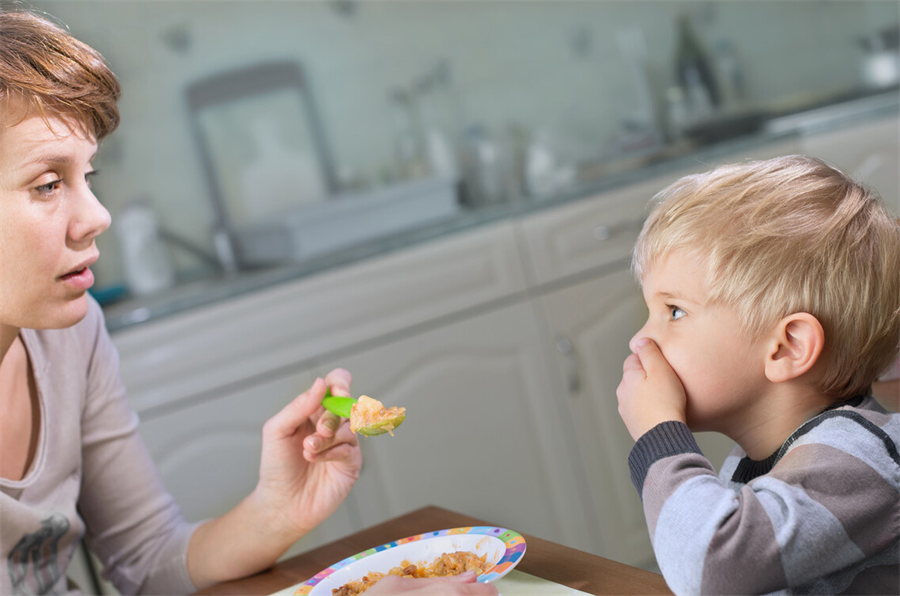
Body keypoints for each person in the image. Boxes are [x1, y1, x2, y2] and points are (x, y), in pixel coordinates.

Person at [0, 10, 497, 596]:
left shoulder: (72, 337)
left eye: (88, 176)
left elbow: (147, 558)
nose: (98, 216)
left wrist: (276, 511)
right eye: (48, 184)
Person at [616, 155, 900, 595]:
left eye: (674, 311)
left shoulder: (856, 461)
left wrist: (660, 436)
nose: (640, 340)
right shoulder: (758, 457)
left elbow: (711, 566)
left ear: (788, 348)